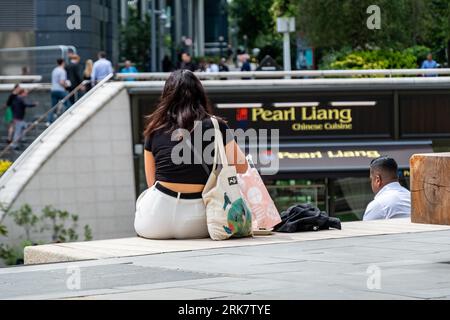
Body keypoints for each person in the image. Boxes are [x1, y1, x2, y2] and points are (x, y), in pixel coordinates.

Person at [135, 69, 248, 239]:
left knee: (143, 198)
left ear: (167, 96)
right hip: (199, 221)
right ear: (200, 95)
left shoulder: (153, 130)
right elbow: (242, 166)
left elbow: (152, 183)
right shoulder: (216, 126)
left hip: (155, 221)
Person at [363, 156, 411, 221]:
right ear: (397, 176)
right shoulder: (412, 198)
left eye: (371, 179)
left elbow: (366, 230)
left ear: (378, 180)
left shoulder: (378, 204)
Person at [48, 58, 69, 125]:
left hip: (53, 89)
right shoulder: (62, 71)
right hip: (60, 90)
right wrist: (66, 85)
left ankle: (49, 120)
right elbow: (61, 82)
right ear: (63, 63)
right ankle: (67, 117)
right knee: (68, 103)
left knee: (53, 106)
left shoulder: (54, 70)